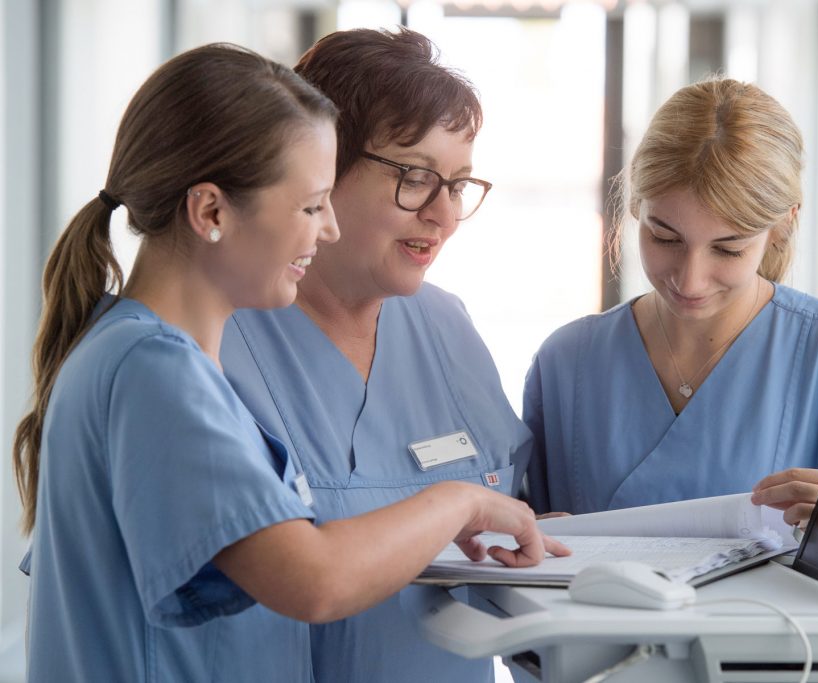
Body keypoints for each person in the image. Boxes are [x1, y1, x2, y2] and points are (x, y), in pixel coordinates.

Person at [14, 43, 565, 683]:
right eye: (310, 205)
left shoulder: (149, 355)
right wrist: (457, 503)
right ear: (211, 211)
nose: (325, 229)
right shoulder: (154, 368)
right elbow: (313, 579)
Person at [524, 78, 818, 566]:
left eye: (728, 249)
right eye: (665, 238)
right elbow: (510, 539)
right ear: (634, 208)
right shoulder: (568, 363)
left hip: (780, 620)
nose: (690, 280)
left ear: (782, 226)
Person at [219, 27, 534, 683]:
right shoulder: (217, 338)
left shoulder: (446, 327)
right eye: (416, 178)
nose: (444, 215)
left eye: (459, 185)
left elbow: (504, 516)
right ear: (320, 167)